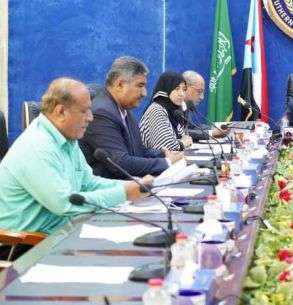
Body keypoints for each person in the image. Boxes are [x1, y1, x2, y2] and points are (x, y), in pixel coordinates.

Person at [0, 78, 149, 237]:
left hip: (64, 231)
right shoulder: (36, 146)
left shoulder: (67, 138)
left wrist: (133, 185)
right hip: (26, 244)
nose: (91, 117)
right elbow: (65, 204)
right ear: (61, 112)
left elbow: (88, 183)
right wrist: (123, 194)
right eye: (84, 111)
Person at [80, 56, 183, 179]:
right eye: (140, 85)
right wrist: (167, 162)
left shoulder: (122, 109)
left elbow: (137, 150)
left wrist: (162, 154)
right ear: (120, 85)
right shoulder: (102, 113)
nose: (144, 93)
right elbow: (120, 163)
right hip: (109, 186)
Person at [140, 71, 193, 151]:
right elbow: (164, 146)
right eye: (177, 89)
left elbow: (184, 138)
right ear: (166, 89)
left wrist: (184, 141)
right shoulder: (156, 109)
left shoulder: (173, 111)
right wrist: (183, 143)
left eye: (184, 89)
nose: (181, 94)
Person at [182, 70, 227, 140]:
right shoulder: (170, 106)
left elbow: (192, 127)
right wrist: (211, 133)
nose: (202, 97)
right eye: (199, 91)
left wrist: (214, 128)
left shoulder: (186, 105)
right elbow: (178, 132)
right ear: (185, 87)